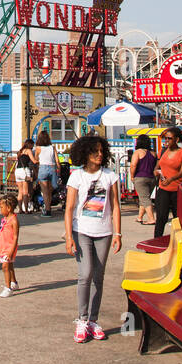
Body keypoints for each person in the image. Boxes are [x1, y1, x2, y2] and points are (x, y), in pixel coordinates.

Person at [63, 135, 121, 343]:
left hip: (104, 232)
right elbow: (69, 208)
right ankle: (82, 319)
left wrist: (118, 233)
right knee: (85, 274)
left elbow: (115, 207)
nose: (99, 154)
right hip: (82, 231)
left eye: (101, 151)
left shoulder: (110, 176)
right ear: (85, 153)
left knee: (99, 276)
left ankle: (93, 321)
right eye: (94, 151)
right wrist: (69, 236)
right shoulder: (76, 177)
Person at [152, 128, 182, 240]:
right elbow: (158, 165)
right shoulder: (164, 151)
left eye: (169, 138)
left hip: (177, 190)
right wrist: (156, 171)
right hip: (163, 189)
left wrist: (171, 179)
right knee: (161, 218)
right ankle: (156, 241)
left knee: (177, 219)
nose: (167, 140)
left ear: (176, 139)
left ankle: (180, 241)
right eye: (165, 138)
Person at [0, 193, 20, 297]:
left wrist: (11, 251)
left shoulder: (13, 220)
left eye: (2, 208)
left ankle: (8, 287)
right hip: (3, 246)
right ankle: (14, 282)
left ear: (9, 208)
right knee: (9, 266)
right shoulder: (4, 219)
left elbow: (15, 237)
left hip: (9, 247)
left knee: (5, 266)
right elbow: (2, 233)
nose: (1, 210)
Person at [129, 136, 157, 226]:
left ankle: (151, 218)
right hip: (152, 178)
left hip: (140, 177)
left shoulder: (137, 152)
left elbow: (133, 165)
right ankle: (139, 217)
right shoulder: (153, 153)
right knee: (144, 197)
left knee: (145, 198)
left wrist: (132, 176)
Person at [33, 129, 57, 216]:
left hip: (43, 168)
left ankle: (47, 210)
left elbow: (36, 159)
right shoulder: (52, 147)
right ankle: (48, 206)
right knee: (50, 190)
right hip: (52, 167)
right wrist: (58, 170)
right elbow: (57, 160)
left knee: (45, 191)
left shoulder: (38, 148)